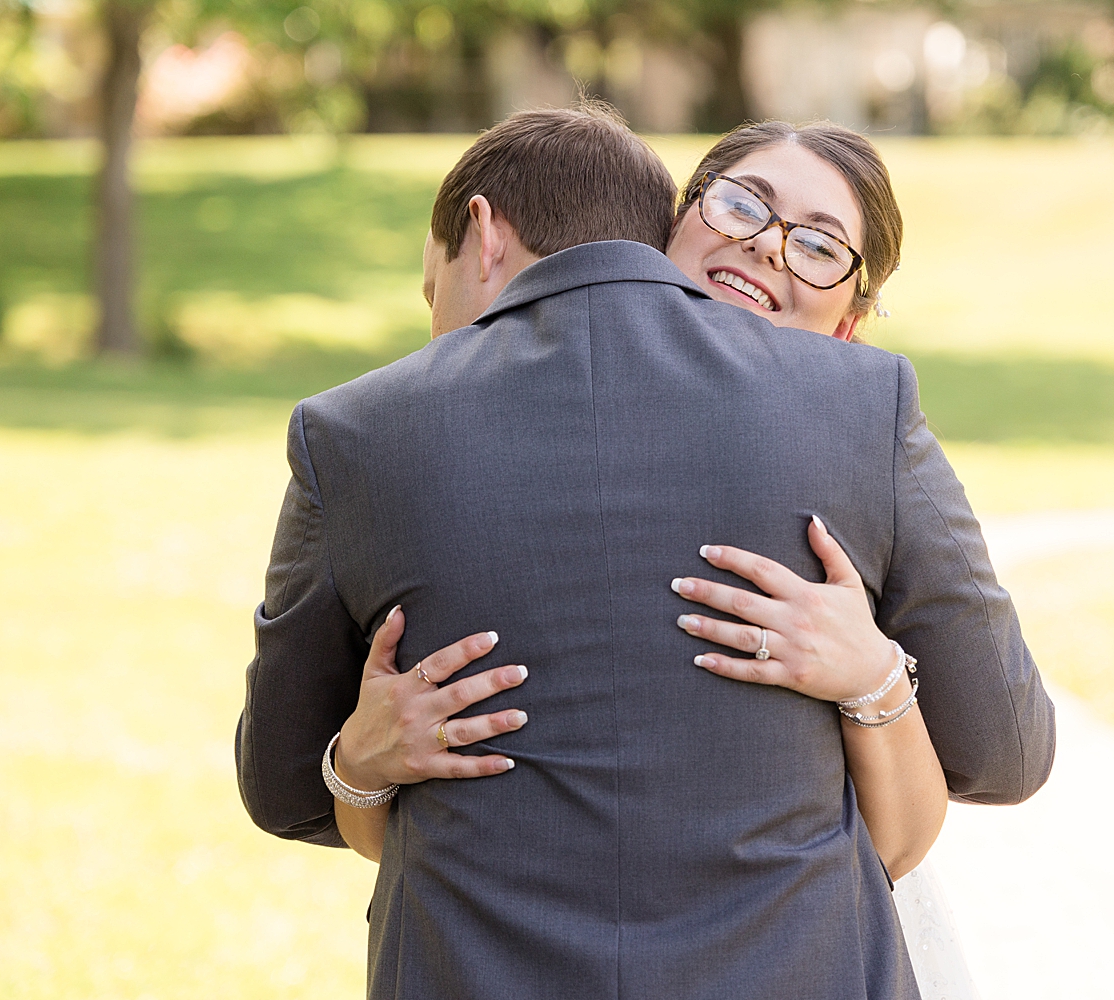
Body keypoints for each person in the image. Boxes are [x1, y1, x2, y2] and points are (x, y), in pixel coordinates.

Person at [236, 106, 1053, 1000]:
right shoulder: (868, 406)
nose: (771, 249)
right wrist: (361, 758)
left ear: (852, 318)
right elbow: (1005, 754)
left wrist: (874, 676)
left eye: (820, 245)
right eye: (746, 206)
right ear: (673, 217)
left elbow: (284, 788)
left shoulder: (360, 429)